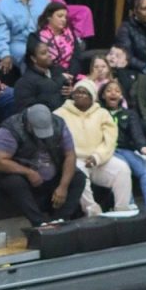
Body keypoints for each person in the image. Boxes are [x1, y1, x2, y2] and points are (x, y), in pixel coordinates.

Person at [0, 103, 86, 226]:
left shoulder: (59, 124)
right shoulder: (10, 129)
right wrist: (28, 172)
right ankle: (39, 222)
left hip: (51, 172)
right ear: (29, 124)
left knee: (78, 178)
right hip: (23, 174)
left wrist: (63, 186)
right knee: (14, 182)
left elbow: (70, 154)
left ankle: (60, 219)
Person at [55, 79, 137, 215]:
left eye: (85, 93)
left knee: (122, 169)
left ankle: (122, 209)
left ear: (92, 97)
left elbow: (110, 140)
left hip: (99, 159)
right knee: (78, 173)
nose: (80, 95)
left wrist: (97, 157)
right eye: (78, 92)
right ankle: (93, 211)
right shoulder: (59, 114)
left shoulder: (102, 113)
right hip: (75, 160)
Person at [98, 80, 146, 212]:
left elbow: (136, 133)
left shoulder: (129, 114)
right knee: (123, 170)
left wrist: (143, 147)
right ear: (103, 95)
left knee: (145, 170)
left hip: (125, 150)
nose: (113, 93)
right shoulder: (98, 113)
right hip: (108, 151)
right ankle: (129, 205)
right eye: (109, 90)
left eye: (117, 91)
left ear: (121, 96)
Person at [12, 37, 68, 112]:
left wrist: (70, 93)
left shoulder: (57, 71)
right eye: (44, 53)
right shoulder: (24, 83)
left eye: (48, 51)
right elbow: (26, 112)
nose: (49, 55)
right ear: (33, 58)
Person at [37, 1, 80, 77]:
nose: (63, 19)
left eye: (65, 17)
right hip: (49, 75)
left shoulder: (70, 33)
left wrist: (71, 74)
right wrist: (61, 76)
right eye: (60, 16)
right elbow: (42, 62)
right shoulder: (39, 36)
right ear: (49, 17)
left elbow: (76, 56)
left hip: (71, 74)